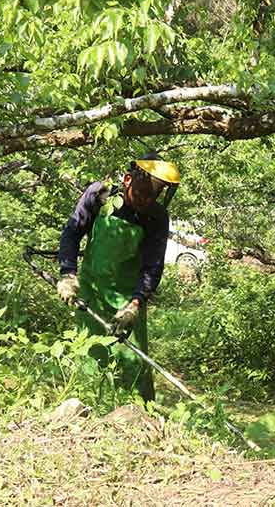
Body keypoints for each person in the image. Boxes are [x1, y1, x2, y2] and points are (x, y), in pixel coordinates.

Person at [55, 155, 180, 401]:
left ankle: (140, 415)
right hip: (91, 292)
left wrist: (135, 304)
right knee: (91, 354)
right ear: (127, 180)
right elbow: (72, 233)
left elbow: (152, 266)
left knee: (132, 362)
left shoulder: (156, 217)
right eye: (143, 193)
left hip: (127, 299)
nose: (146, 200)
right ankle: (89, 408)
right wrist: (68, 274)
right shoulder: (99, 195)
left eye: (154, 195)